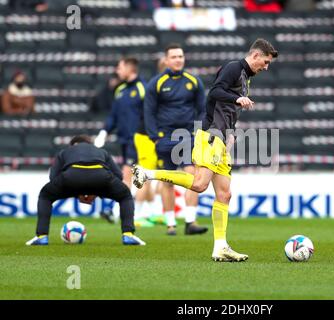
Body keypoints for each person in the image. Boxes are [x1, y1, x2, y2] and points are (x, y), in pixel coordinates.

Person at [133, 38, 278, 261]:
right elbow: (215, 93)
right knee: (199, 184)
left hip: (221, 138)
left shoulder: (245, 77)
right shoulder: (234, 68)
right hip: (210, 135)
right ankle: (147, 174)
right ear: (256, 55)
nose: (266, 67)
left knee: (224, 194)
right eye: (266, 61)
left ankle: (220, 246)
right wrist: (237, 98)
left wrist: (230, 135)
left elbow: (228, 110)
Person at [25, 135, 145, 246]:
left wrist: (76, 191)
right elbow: (118, 175)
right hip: (100, 176)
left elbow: (53, 178)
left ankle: (42, 236)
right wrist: (96, 191)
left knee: (45, 195)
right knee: (125, 196)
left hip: (72, 176)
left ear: (72, 145)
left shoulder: (65, 152)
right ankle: (128, 235)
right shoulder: (101, 151)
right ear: (90, 144)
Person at [144, 43, 208, 236]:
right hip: (165, 137)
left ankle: (190, 221)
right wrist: (154, 137)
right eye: (174, 57)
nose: (178, 59)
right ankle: (171, 223)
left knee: (192, 177)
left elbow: (203, 109)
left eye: (180, 56)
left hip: (188, 136)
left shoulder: (193, 81)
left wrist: (200, 133)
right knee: (167, 181)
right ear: (166, 60)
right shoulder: (156, 83)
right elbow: (148, 112)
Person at [94, 57, 159, 227]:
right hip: (123, 140)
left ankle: (121, 213)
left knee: (132, 176)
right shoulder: (120, 89)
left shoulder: (142, 88)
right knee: (136, 177)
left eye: (120, 67)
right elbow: (113, 115)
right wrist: (104, 132)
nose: (117, 71)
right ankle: (153, 211)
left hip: (139, 140)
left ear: (130, 69)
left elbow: (151, 113)